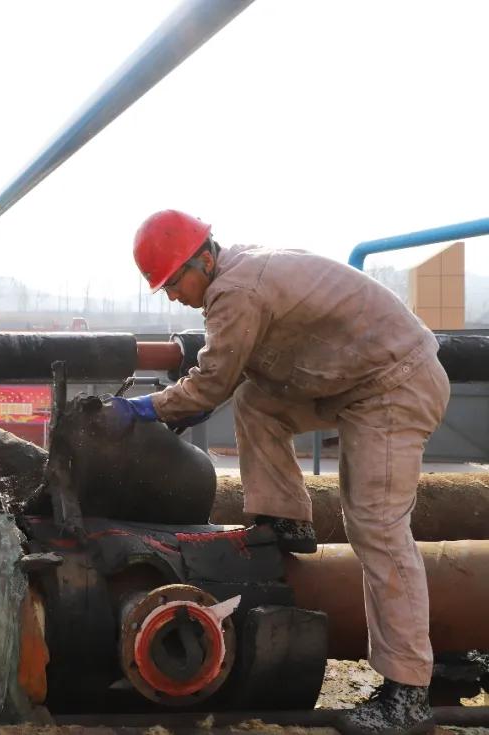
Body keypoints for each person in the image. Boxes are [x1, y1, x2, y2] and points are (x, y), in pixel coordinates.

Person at [111, 210, 448, 735]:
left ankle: (408, 691)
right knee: (257, 403)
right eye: (165, 288)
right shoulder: (237, 273)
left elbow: (209, 383)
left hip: (392, 384)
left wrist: (144, 409)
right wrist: (186, 405)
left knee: (376, 526)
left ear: (204, 258)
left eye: (175, 281)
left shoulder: (236, 290)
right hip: (351, 379)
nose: (174, 295)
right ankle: (287, 518)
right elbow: (228, 379)